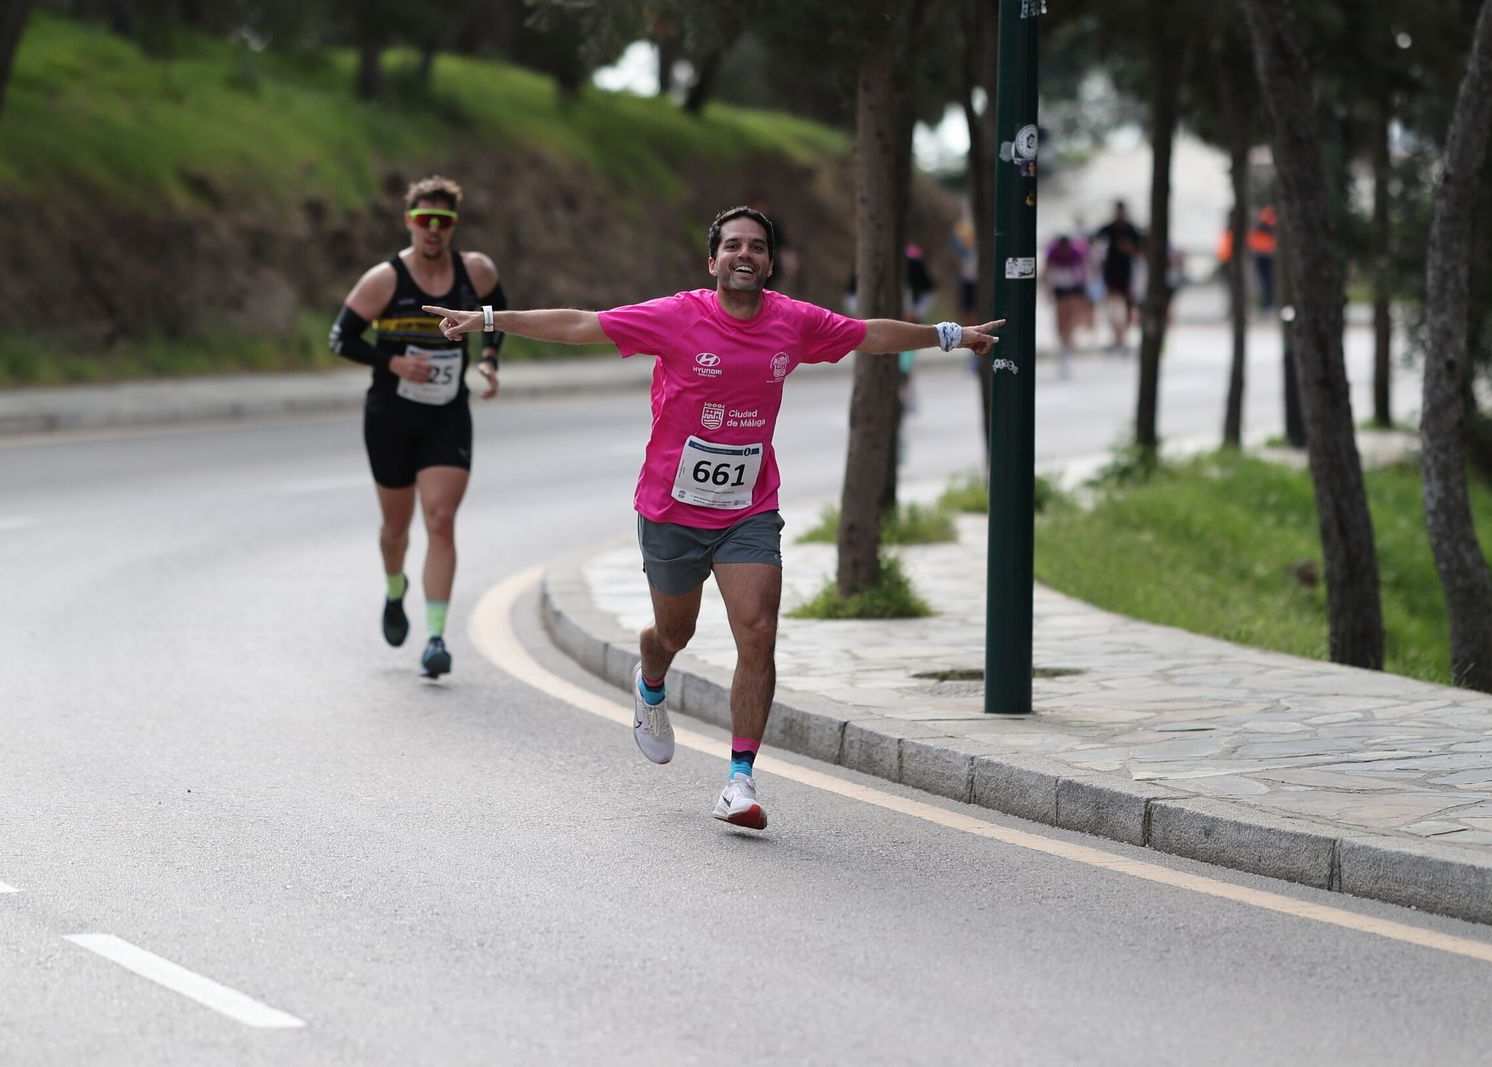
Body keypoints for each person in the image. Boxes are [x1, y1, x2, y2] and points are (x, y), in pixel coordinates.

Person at [424, 206, 1003, 830]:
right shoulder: (678, 316)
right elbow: (582, 324)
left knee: (758, 630)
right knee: (675, 632)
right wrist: (489, 319)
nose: (744, 254)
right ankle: (651, 677)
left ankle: (740, 780)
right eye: (732, 245)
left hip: (749, 509)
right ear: (713, 261)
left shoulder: (793, 322)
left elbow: (869, 335)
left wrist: (948, 335)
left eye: (756, 246)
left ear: (770, 263)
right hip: (671, 508)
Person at [328, 175, 506, 679]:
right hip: (390, 415)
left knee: (441, 519)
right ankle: (394, 587)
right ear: (409, 221)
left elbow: (496, 314)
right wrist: (394, 363)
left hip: (446, 415)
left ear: (454, 225)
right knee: (395, 528)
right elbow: (341, 338)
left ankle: (435, 638)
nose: (433, 229)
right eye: (424, 219)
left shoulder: (475, 271)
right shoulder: (384, 279)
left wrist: (489, 359)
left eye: (442, 221)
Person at [1094, 200, 1143, 353]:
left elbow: (1140, 251)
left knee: (1127, 306)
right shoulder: (1108, 229)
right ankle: (1115, 336)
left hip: (1127, 274)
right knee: (1112, 305)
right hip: (1111, 273)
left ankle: (1123, 337)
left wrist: (1129, 249)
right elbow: (1094, 243)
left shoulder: (1132, 230)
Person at [1042, 231, 1090, 376]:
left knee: (1071, 316)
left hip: (1074, 287)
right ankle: (1063, 342)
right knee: (1061, 317)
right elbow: (1047, 271)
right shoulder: (1053, 253)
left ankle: (1068, 342)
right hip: (1059, 288)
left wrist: (1083, 293)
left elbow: (1083, 272)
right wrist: (1046, 290)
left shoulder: (1077, 253)